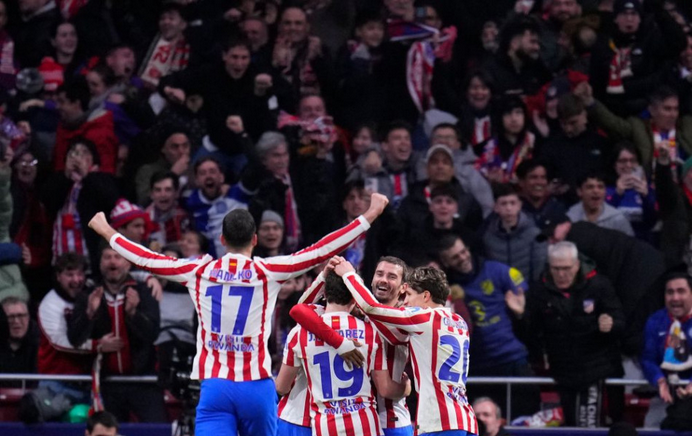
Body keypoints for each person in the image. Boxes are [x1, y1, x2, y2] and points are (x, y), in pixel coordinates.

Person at [86, 193, 389, 436]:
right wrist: (370, 214)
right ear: (255, 239)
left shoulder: (199, 271)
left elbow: (147, 259)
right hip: (257, 386)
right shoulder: (267, 271)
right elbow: (321, 250)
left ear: (221, 239)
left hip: (215, 386)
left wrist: (107, 230)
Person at [328, 260, 479, 435]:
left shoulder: (424, 317)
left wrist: (349, 275)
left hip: (440, 421)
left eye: (409, 295)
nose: (405, 301)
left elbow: (371, 308)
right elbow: (395, 337)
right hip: (465, 418)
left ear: (426, 296)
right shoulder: (459, 322)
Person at [275, 267, 409, 436]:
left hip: (322, 423)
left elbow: (281, 387)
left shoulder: (300, 331)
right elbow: (385, 388)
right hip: (364, 423)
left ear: (324, 294)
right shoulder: (371, 331)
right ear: (355, 296)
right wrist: (406, 387)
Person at [522, 241, 625, 426]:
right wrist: (518, 316)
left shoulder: (598, 285)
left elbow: (619, 320)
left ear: (577, 265)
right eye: (556, 269)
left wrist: (610, 324)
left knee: (588, 425)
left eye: (566, 268)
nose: (561, 274)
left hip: (596, 370)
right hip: (562, 372)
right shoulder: (539, 291)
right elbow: (530, 332)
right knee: (570, 424)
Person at [437, 234, 540, 419]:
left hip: (512, 359)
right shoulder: (446, 289)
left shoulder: (497, 271)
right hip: (477, 365)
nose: (463, 258)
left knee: (525, 421)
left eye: (463, 252)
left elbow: (529, 306)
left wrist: (521, 312)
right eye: (455, 257)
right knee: (482, 424)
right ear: (446, 262)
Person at [68, 246, 164, 422]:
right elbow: (74, 339)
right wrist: (89, 314)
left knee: (156, 429)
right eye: (107, 257)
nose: (112, 261)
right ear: (100, 264)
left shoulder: (144, 292)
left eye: (117, 257)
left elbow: (153, 334)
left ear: (127, 263)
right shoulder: (88, 296)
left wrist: (133, 314)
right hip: (107, 384)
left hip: (143, 381)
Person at [37, 253, 119, 404]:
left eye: (80, 274)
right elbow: (59, 342)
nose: (76, 280)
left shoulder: (92, 291)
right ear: (58, 276)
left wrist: (148, 277)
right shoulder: (49, 304)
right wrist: (97, 346)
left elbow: (118, 277)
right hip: (56, 382)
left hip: (88, 381)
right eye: (69, 275)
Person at [641, 272, 692, 431]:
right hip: (665, 395)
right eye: (670, 292)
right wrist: (659, 380)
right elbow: (648, 358)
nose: (675, 298)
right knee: (651, 427)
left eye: (681, 291)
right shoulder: (655, 321)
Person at [185, 157, 252, 258]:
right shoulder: (190, 202)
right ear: (197, 180)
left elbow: (256, 170)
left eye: (212, 171)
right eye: (202, 173)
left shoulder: (237, 194)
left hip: (244, 257)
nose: (208, 176)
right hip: (211, 262)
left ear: (222, 177)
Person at [482, 184, 547, 282]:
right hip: (500, 288)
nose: (509, 208)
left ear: (519, 205)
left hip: (528, 288)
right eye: (503, 204)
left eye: (513, 203)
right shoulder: (488, 237)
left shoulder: (534, 233)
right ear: (495, 207)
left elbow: (539, 266)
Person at [482, 15, 551, 97]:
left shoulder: (539, 70)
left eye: (538, 43)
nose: (537, 47)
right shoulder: (489, 72)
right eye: (532, 42)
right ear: (514, 42)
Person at [605, 142, 657, 241]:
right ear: (615, 165)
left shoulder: (648, 189)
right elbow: (603, 219)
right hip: (614, 240)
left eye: (633, 160)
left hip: (642, 242)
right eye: (623, 161)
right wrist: (617, 195)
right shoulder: (606, 189)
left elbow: (652, 221)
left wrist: (645, 197)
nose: (628, 165)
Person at [135, 128, 191, 205]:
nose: (181, 151)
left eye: (185, 146)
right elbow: (143, 201)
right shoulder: (148, 171)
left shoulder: (196, 169)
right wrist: (172, 174)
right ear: (163, 149)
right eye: (175, 147)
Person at [567, 172, 634, 236]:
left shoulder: (618, 219)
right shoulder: (570, 217)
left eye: (600, 187)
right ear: (579, 191)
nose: (596, 191)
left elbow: (630, 243)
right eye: (590, 187)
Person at [516, 159, 567, 230]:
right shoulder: (512, 208)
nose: (539, 182)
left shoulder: (557, 208)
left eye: (543, 177)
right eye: (533, 177)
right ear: (521, 182)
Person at [146, 171, 190, 249]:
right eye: (158, 190)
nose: (163, 195)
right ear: (151, 194)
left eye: (168, 190)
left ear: (176, 193)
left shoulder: (185, 217)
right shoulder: (143, 220)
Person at [0, 297, 38, 376]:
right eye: (10, 317)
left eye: (21, 315)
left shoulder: (40, 346)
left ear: (28, 317)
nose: (16, 321)